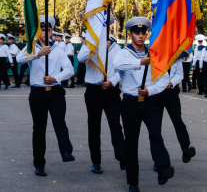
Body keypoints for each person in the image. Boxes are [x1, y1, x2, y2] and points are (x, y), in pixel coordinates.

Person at [114, 17, 174, 192]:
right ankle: (133, 182)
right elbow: (117, 64)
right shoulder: (123, 52)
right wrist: (140, 62)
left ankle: (163, 168)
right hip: (130, 103)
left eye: (143, 33)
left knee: (156, 135)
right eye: (136, 33)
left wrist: (150, 90)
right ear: (130, 35)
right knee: (131, 143)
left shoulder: (154, 53)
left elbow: (164, 80)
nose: (140, 36)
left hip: (150, 101)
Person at [16, 15, 75, 177]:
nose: (45, 32)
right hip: (38, 93)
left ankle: (66, 151)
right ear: (37, 31)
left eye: (48, 29)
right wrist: (39, 54)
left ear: (51, 32)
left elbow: (70, 70)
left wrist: (55, 78)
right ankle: (39, 164)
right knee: (39, 128)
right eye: (42, 29)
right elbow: (18, 59)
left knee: (59, 121)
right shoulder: (32, 47)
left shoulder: (59, 50)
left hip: (55, 91)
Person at [77, 30, 125, 175]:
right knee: (94, 127)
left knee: (115, 124)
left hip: (111, 90)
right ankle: (96, 162)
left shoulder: (116, 46)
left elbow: (121, 68)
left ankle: (121, 154)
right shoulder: (89, 43)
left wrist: (112, 82)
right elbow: (80, 58)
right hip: (93, 91)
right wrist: (97, 46)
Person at [153, 58, 196, 172]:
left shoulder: (175, 57)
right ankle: (158, 160)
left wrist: (172, 82)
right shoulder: (154, 55)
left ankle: (185, 148)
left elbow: (179, 73)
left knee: (178, 120)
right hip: (156, 93)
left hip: (171, 93)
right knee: (156, 127)